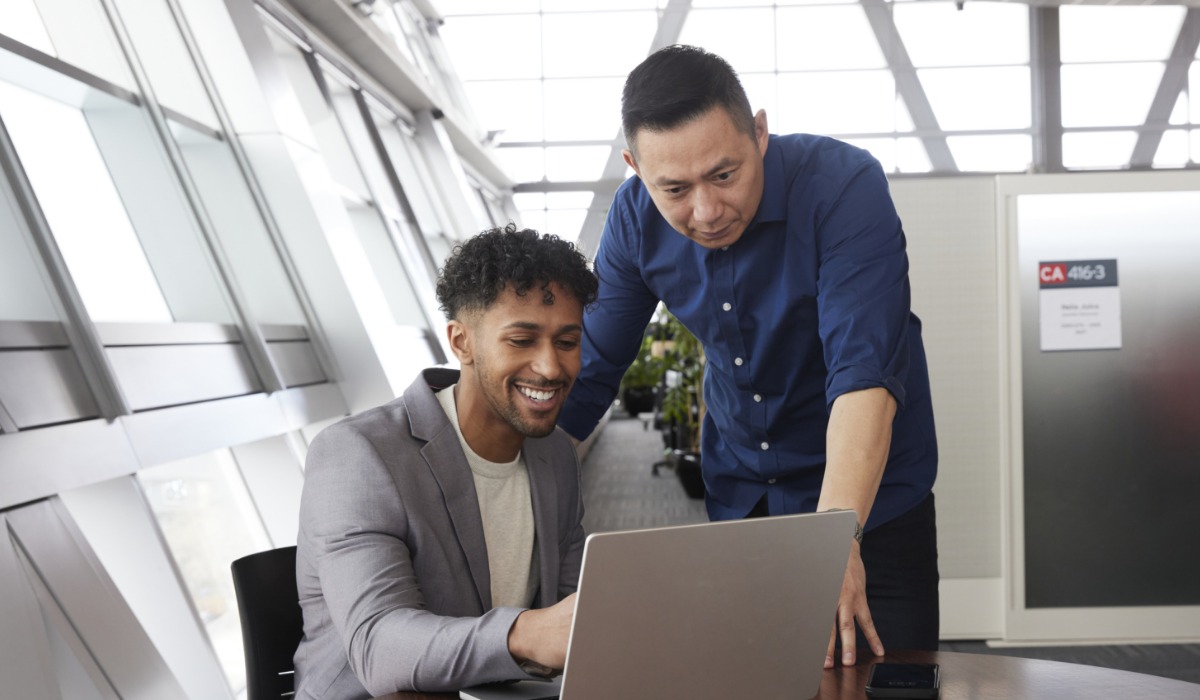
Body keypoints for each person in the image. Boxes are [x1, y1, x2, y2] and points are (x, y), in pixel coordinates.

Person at [557, 45, 939, 668]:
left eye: (724, 175)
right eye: (674, 188)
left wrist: (834, 537)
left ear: (759, 131)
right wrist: (492, 487)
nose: (705, 212)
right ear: (635, 167)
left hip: (871, 506)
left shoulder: (842, 187)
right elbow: (590, 369)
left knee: (885, 682)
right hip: (744, 499)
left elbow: (863, 370)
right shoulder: (633, 221)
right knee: (755, 679)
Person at [294, 224, 598, 698]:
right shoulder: (359, 454)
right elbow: (379, 645)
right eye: (521, 340)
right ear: (461, 343)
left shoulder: (554, 453)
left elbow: (573, 615)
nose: (551, 367)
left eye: (566, 341)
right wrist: (526, 634)